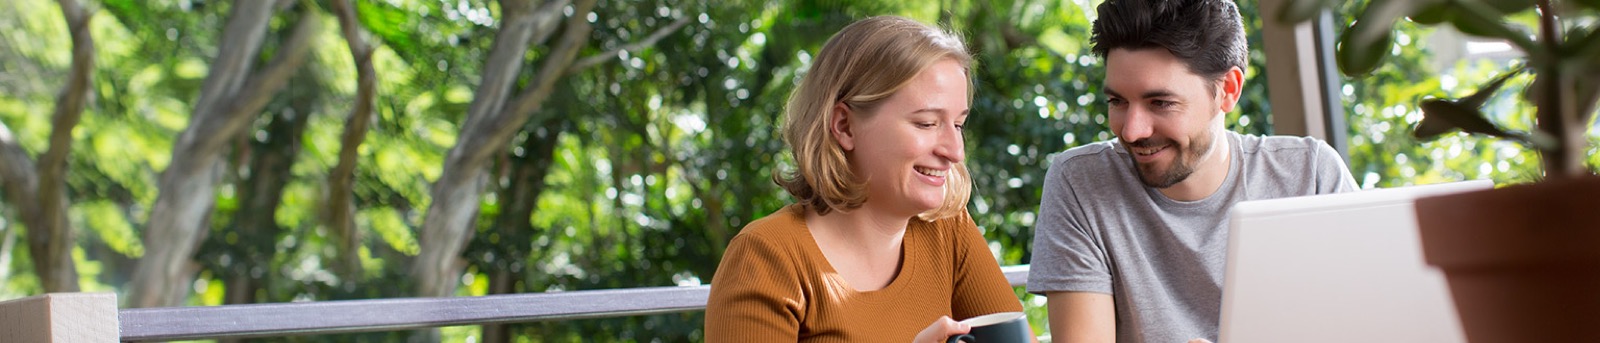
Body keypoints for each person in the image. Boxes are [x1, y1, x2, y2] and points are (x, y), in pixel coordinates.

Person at [1026, 0, 1359, 342]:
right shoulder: (1082, 182)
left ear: (1228, 90)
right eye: (1118, 102)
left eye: (1161, 103)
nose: (1131, 131)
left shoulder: (1310, 173)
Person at [705, 16, 1029, 342]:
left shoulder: (948, 230)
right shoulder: (765, 258)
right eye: (927, 123)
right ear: (844, 126)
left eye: (958, 125)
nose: (954, 151)